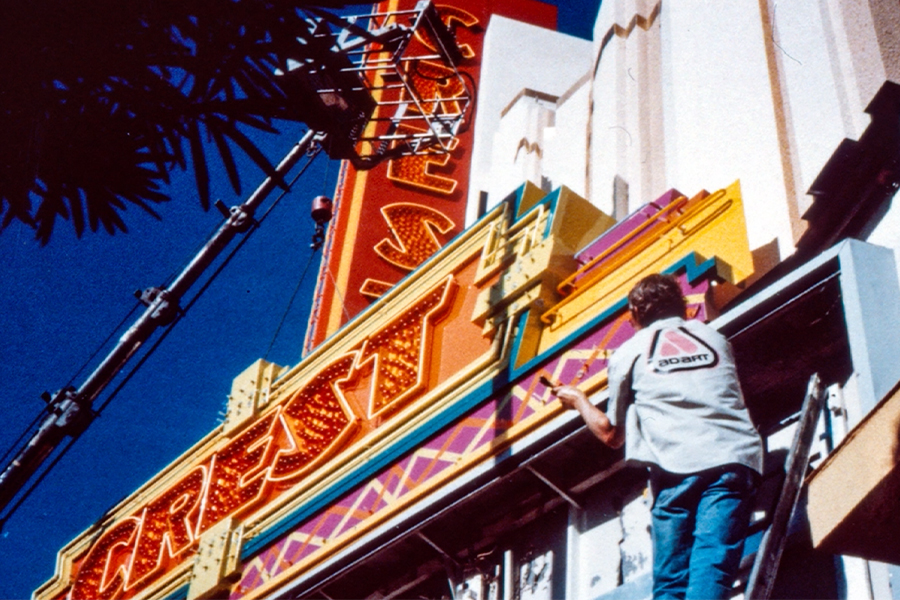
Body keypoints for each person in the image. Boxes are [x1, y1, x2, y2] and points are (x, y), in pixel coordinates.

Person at [552, 273, 763, 600]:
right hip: (732, 458)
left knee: (671, 584)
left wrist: (579, 400)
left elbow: (611, 436)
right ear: (680, 304)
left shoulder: (629, 351)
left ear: (635, 313)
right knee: (712, 566)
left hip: (676, 468)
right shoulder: (715, 339)